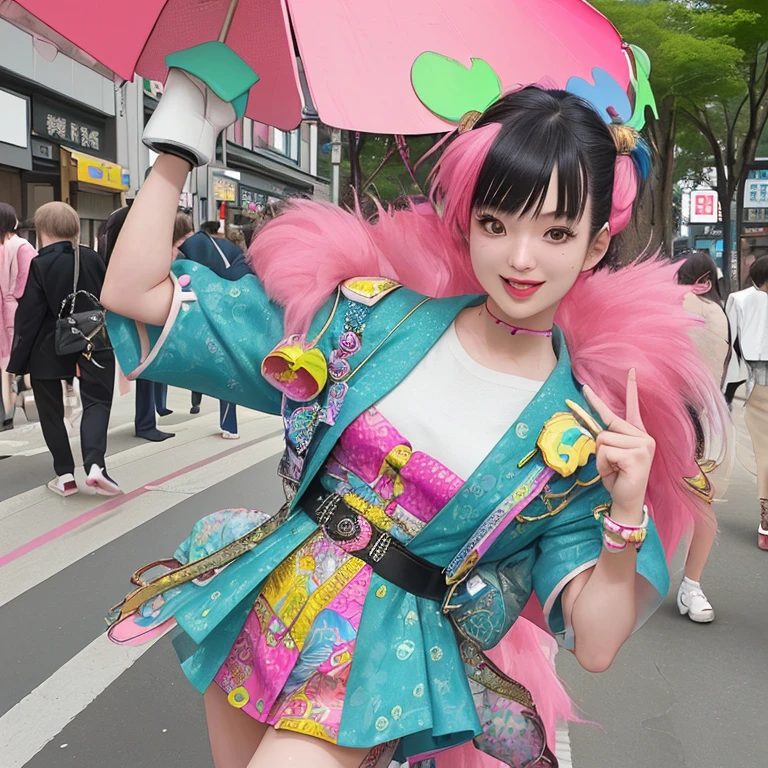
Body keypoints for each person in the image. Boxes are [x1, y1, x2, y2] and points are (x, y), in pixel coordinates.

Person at [103, 77, 728, 768]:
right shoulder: (367, 318)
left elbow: (599, 643)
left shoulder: (581, 431)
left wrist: (628, 511)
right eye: (496, 223)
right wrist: (182, 138)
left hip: (379, 661)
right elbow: (134, 294)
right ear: (466, 221)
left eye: (554, 232)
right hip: (267, 596)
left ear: (595, 245)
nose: (521, 259)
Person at [7, 202, 119, 496]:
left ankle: (65, 476)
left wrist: (17, 364)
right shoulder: (93, 258)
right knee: (97, 402)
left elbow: (29, 317)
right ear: (75, 228)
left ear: (42, 231)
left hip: (49, 348)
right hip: (94, 341)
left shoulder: (40, 264)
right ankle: (96, 466)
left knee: (51, 411)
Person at [674, 250, 731, 622]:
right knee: (702, 506)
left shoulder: (684, 307)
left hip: (680, 419)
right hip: (703, 422)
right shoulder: (723, 315)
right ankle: (690, 585)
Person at [102, 204, 175, 442]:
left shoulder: (115, 221)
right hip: (140, 303)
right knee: (147, 359)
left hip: (121, 301)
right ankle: (145, 422)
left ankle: (144, 420)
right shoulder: (139, 227)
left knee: (139, 360)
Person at [175, 214, 248, 438]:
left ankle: (196, 396)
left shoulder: (183, 251)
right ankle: (229, 425)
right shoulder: (223, 247)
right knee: (226, 368)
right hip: (229, 309)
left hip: (199, 313)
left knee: (201, 360)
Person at [726, 255, 768, 550]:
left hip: (756, 381)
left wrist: (727, 390)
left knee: (764, 451)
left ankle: (766, 522)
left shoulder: (738, 299)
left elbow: (731, 343)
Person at [0, 203, 36, 431]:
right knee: (15, 364)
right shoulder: (22, 247)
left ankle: (6, 412)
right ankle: (10, 409)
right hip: (16, 314)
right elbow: (28, 282)